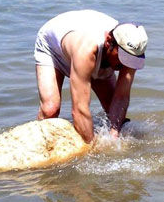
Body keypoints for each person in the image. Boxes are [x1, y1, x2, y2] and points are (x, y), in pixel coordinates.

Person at [34, 10, 148, 143]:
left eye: (130, 59)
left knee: (115, 115)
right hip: (52, 45)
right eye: (122, 58)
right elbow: (79, 109)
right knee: (50, 110)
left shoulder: (132, 47)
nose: (125, 64)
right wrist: (93, 150)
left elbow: (121, 96)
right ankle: (38, 144)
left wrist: (114, 134)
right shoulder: (86, 50)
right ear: (108, 42)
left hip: (96, 51)